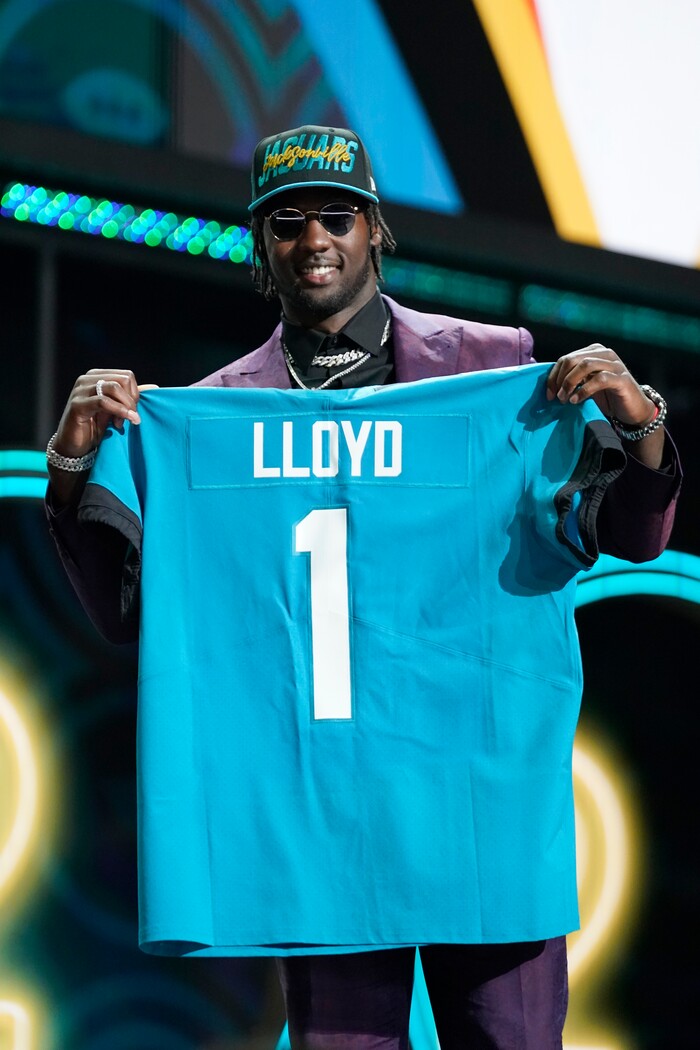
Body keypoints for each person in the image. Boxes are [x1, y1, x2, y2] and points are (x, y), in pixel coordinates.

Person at [46, 125, 680, 1049]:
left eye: (336, 216)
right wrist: (72, 465)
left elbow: (629, 534)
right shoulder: (213, 417)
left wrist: (641, 421)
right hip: (323, 827)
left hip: (476, 804)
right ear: (261, 244)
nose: (314, 240)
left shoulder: (495, 372)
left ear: (374, 228)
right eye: (287, 222)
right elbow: (126, 611)